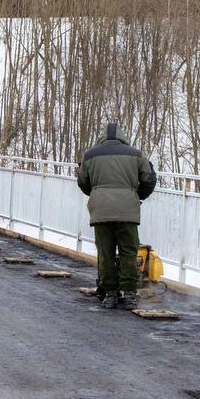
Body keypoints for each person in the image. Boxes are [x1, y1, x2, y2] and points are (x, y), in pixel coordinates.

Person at [76, 122, 157, 310]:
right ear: (122, 136)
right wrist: (136, 196)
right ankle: (129, 295)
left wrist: (97, 193)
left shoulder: (90, 155)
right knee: (129, 252)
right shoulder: (136, 154)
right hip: (127, 210)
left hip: (101, 211)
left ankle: (110, 295)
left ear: (101, 137)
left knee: (106, 253)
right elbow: (149, 179)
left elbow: (82, 181)